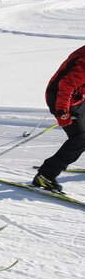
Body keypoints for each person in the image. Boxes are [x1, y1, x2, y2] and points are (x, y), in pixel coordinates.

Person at [33, 45, 85, 192]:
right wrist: (62, 111)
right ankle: (45, 176)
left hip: (76, 97)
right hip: (61, 99)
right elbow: (67, 85)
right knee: (80, 138)